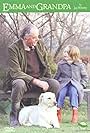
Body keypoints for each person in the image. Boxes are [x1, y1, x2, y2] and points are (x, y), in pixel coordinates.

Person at [4, 23, 60, 127]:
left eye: (37, 37)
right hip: (23, 80)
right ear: (25, 38)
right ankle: (14, 117)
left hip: (39, 78)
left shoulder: (39, 45)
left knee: (55, 84)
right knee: (19, 84)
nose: (37, 39)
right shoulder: (13, 49)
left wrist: (48, 80)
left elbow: (46, 64)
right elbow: (16, 72)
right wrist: (37, 82)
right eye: (34, 37)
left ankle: (51, 116)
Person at [54, 45, 88, 123]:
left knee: (73, 92)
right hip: (63, 84)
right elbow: (56, 76)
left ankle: (75, 112)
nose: (65, 54)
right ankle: (58, 111)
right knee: (61, 93)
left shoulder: (79, 65)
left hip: (75, 85)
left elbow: (85, 77)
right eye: (64, 52)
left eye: (67, 52)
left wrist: (82, 85)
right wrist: (56, 84)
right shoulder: (61, 64)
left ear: (73, 54)